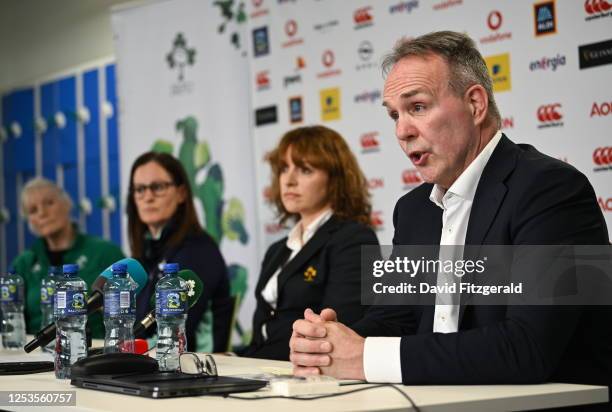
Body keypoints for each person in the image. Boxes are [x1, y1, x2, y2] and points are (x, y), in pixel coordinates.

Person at [289, 31, 612, 405]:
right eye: (394, 114)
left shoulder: (553, 190)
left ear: (475, 104)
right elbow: (396, 318)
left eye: (418, 108)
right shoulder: (413, 210)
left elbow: (528, 348)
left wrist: (364, 358)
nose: (401, 131)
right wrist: (330, 344)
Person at [240, 125, 379, 360]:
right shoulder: (277, 250)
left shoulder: (354, 239)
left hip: (311, 375)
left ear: (335, 179)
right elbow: (262, 333)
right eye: (284, 168)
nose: (289, 181)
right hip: (264, 368)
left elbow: (338, 329)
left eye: (305, 170)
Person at [127, 151, 232, 352]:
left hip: (193, 369)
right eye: (139, 189)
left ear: (181, 193)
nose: (147, 197)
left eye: (157, 187)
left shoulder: (199, 250)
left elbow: (172, 331)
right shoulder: (146, 251)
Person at [11, 177, 124, 339]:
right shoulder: (23, 263)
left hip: (94, 350)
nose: (42, 213)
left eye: (49, 203)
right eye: (33, 210)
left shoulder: (105, 252)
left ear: (67, 203)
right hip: (36, 351)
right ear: (29, 221)